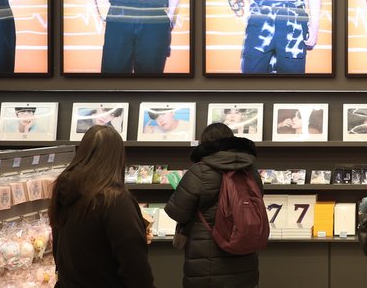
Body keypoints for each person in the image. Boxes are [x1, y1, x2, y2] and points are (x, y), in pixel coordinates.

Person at [49, 125, 155, 287]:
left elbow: (70, 247)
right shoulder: (114, 200)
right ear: (118, 157)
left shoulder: (64, 191)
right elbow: (136, 271)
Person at [164, 123, 262, 288]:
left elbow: (177, 212)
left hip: (206, 263)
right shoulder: (251, 171)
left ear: (204, 144)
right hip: (245, 259)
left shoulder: (199, 171)